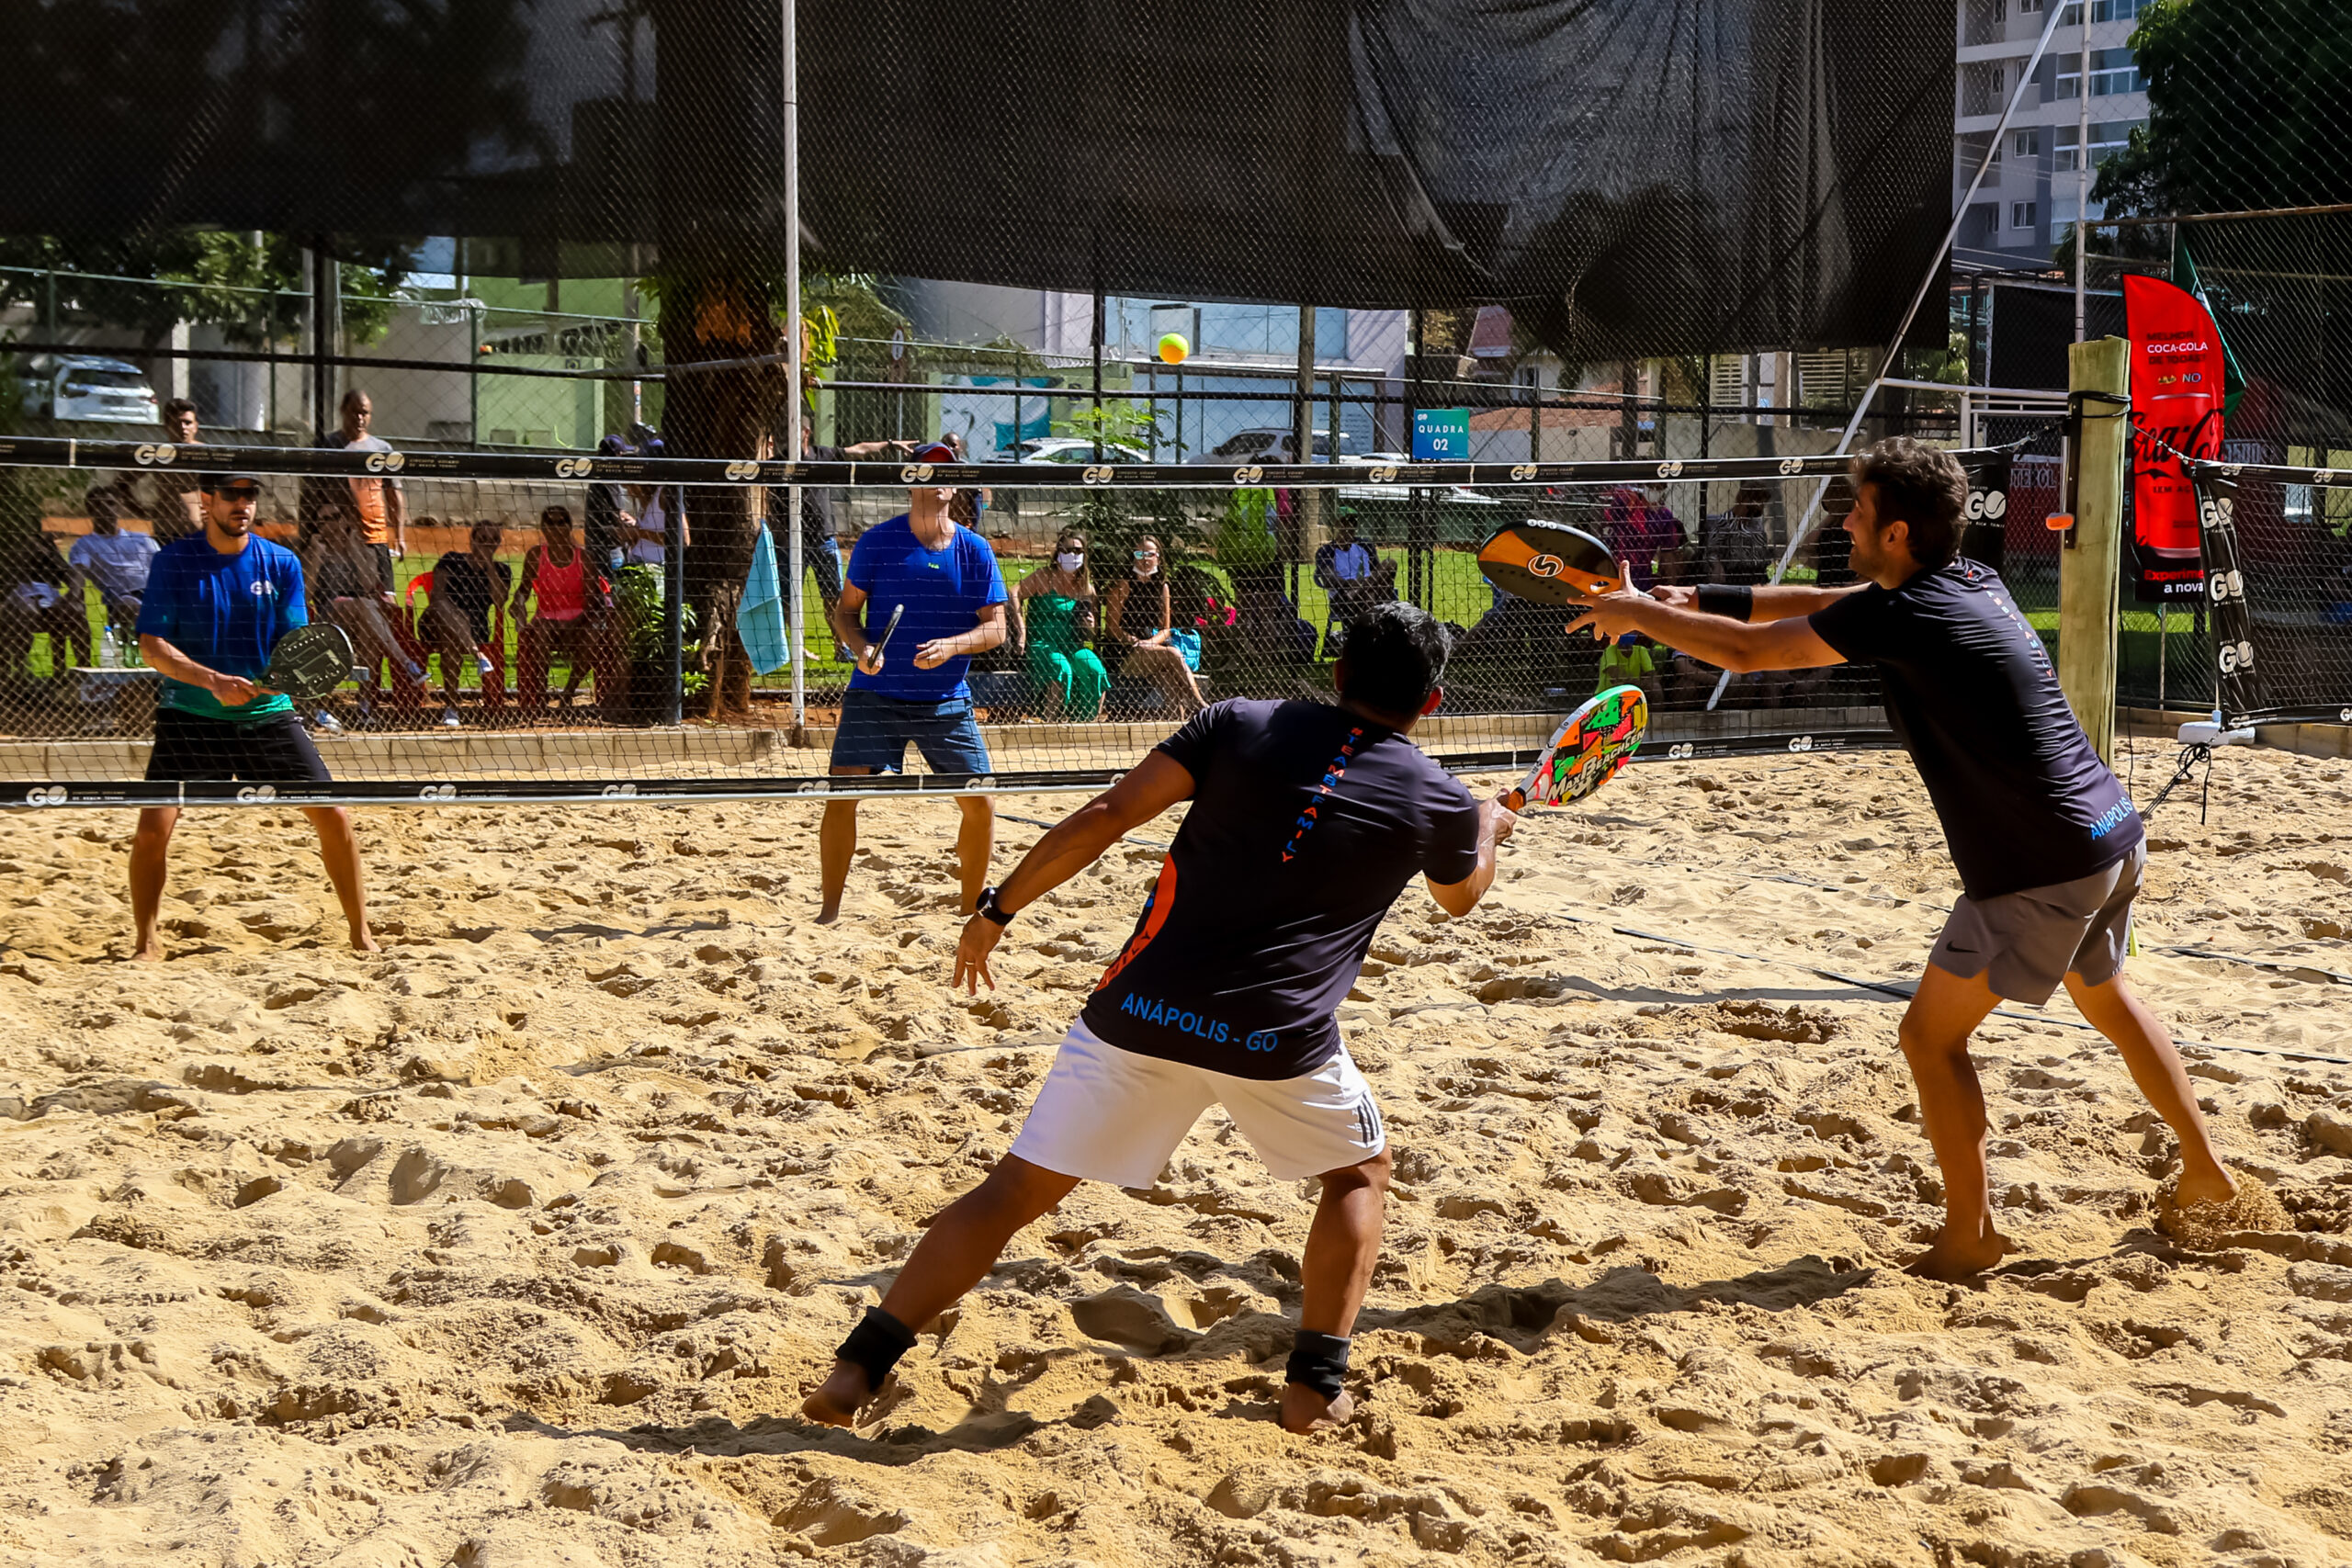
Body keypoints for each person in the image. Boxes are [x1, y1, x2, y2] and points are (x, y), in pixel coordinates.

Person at [799, 603, 1517, 1434]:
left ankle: (856, 1372)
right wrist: (1490, 826)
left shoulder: (1237, 722)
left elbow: (1108, 816)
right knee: (1360, 1174)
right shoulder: (1440, 797)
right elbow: (1460, 897)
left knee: (1011, 1193)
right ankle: (1314, 1387)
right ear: (1431, 703)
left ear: (1339, 671)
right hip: (1276, 1040)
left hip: (1139, 1012)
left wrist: (996, 908)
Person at [1566, 436, 2253, 1278]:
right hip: (2111, 832)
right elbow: (1822, 597)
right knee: (2106, 996)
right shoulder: (1970, 579)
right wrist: (1692, 595)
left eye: (1856, 508)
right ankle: (2208, 1171)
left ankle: (1972, 1234)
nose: (1843, 518)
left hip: (2037, 864)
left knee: (1929, 1039)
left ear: (1896, 532)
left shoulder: (1906, 613)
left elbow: (1748, 654)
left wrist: (1639, 615)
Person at [130, 471, 377, 961]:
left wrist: (274, 682)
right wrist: (212, 681)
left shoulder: (280, 562)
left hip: (267, 713)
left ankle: (360, 932)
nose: (242, 503)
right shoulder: (174, 561)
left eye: (249, 495)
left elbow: (298, 649)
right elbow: (152, 646)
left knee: (334, 814)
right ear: (207, 500)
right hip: (192, 713)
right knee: (153, 827)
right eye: (231, 495)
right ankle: (146, 940)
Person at [819, 443, 1009, 924]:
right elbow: (845, 613)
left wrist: (953, 645)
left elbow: (997, 629)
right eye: (929, 469)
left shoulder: (975, 549)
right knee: (841, 795)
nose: (940, 477)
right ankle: (829, 912)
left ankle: (971, 911)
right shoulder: (878, 543)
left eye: (949, 471)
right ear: (911, 479)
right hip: (876, 694)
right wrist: (861, 648)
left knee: (981, 801)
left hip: (945, 701)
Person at [303, 503, 426, 727]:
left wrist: (351, 548)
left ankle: (365, 708)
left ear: (345, 520)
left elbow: (368, 584)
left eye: (335, 517)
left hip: (363, 621)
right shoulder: (314, 550)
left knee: (368, 628)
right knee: (364, 606)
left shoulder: (364, 550)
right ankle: (406, 662)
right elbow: (306, 595)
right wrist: (318, 556)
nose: (330, 524)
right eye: (323, 521)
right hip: (328, 617)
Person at [512, 505, 619, 716]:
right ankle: (540, 698)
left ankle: (568, 692)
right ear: (543, 527)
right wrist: (518, 604)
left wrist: (576, 622)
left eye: (561, 522)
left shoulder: (583, 558)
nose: (556, 527)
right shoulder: (535, 555)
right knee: (541, 633)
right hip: (547, 619)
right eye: (550, 523)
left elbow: (594, 599)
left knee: (593, 636)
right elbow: (523, 589)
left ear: (569, 526)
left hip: (579, 619)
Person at [419, 521, 513, 728]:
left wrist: (488, 567)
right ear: (472, 540)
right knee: (443, 606)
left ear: (497, 544)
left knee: (450, 643)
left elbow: (499, 601)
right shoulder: (451, 560)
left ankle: (452, 707)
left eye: (491, 541)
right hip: (435, 622)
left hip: (474, 628)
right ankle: (477, 655)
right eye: (481, 540)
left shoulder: (502, 570)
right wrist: (457, 615)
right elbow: (436, 597)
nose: (485, 545)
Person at [313, 389, 407, 592]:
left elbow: (394, 494)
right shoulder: (327, 446)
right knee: (336, 603)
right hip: (339, 542)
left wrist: (399, 536)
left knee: (385, 602)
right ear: (343, 411)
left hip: (375, 539)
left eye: (364, 413)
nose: (359, 418)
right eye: (354, 411)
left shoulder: (382, 449)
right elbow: (314, 494)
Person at [1102, 534, 1205, 716]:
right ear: (1133, 557)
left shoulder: (1163, 587)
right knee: (1173, 653)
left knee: (1170, 683)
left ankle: (1176, 727)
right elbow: (1111, 628)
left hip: (1152, 649)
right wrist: (1134, 641)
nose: (1145, 559)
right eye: (1140, 555)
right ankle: (1201, 705)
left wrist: (1151, 643)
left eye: (1150, 554)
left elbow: (1166, 629)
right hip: (1124, 652)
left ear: (1158, 557)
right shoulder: (1123, 585)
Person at [1012, 528, 1108, 722]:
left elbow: (1092, 634)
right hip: (1042, 644)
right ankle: (1049, 721)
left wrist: (1089, 626)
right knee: (1060, 666)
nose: (1071, 555)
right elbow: (1014, 593)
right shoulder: (1043, 577)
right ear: (1058, 554)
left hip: (1072, 645)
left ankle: (1087, 722)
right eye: (1066, 550)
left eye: (1077, 551)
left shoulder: (1087, 588)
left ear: (1084, 555)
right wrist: (1021, 629)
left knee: (1094, 667)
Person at [68, 483, 160, 632]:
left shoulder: (142, 539)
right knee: (128, 605)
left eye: (111, 503)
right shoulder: (85, 544)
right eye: (99, 504)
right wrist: (73, 595)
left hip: (154, 593)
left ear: (120, 507)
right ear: (90, 509)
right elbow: (78, 570)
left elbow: (165, 568)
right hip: (120, 597)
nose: (106, 508)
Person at [0, 531, 85, 683]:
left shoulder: (47, 551)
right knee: (27, 610)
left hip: (49, 599)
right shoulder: (14, 549)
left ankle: (79, 674)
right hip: (21, 598)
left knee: (75, 612)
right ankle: (19, 671)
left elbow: (70, 573)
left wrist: (72, 594)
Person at [1312, 511, 1397, 653]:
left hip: (1367, 590)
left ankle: (1361, 591)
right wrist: (1351, 584)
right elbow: (1329, 579)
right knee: (1366, 595)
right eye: (1343, 525)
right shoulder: (1326, 551)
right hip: (1343, 597)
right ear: (1335, 527)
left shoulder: (1365, 546)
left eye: (1351, 525)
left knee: (1390, 563)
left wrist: (1360, 585)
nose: (1347, 529)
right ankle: (1373, 646)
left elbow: (1378, 573)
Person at [153, 400, 204, 544]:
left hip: (198, 529)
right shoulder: (158, 456)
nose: (183, 428)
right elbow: (122, 484)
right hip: (166, 530)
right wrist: (141, 510)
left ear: (196, 426)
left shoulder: (207, 454)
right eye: (176, 423)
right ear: (166, 427)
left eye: (187, 423)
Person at [1595, 630, 1657, 701]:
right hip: (1607, 694)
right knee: (1619, 684)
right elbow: (1616, 675)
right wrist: (1640, 683)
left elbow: (1652, 674)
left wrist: (1646, 683)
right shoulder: (1610, 650)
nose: (1628, 634)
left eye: (1632, 633)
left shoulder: (1641, 650)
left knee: (1656, 687)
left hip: (1633, 689)